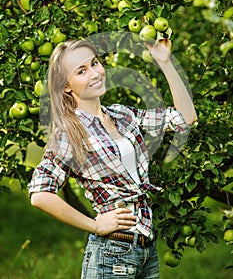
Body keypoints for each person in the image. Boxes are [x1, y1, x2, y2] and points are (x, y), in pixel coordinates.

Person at [28, 37, 197, 279]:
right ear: (66, 86)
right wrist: (95, 225)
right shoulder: (69, 133)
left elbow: (185, 117)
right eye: (82, 71)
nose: (95, 73)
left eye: (95, 63)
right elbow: (40, 195)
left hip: (145, 250)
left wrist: (166, 63)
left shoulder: (122, 114)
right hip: (112, 253)